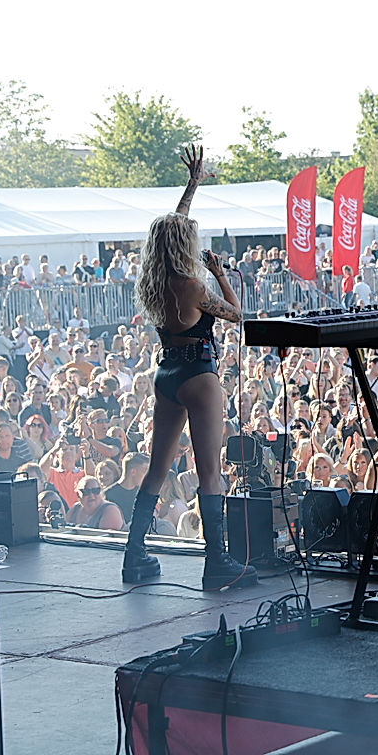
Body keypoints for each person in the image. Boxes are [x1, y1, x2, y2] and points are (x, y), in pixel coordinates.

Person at [121, 145, 257, 589]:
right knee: (210, 471)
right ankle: (216, 562)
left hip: (166, 376)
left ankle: (134, 555)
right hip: (199, 374)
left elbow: (173, 226)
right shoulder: (194, 287)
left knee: (157, 469)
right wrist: (221, 274)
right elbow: (238, 315)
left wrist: (192, 185)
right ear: (186, 246)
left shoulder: (155, 281)